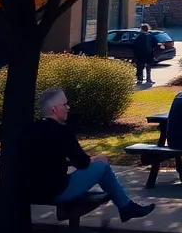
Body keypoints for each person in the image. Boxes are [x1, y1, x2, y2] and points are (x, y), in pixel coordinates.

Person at [20, 87, 155, 221]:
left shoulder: (32, 129)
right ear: (54, 109)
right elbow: (82, 162)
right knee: (102, 167)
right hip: (55, 191)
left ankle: (126, 207)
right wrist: (97, 158)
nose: (68, 108)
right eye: (65, 104)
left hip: (29, 190)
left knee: (92, 170)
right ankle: (126, 207)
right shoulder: (61, 131)